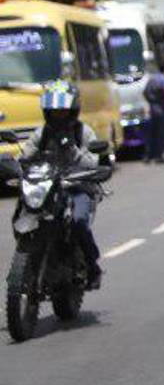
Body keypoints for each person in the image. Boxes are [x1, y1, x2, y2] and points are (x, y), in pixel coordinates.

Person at [20, 81, 104, 290]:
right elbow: (25, 154)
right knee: (25, 211)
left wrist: (72, 149)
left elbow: (92, 163)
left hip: (77, 186)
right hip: (48, 186)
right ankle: (33, 258)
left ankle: (92, 266)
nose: (58, 116)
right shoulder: (43, 133)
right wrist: (12, 163)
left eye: (63, 111)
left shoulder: (84, 132)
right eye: (54, 112)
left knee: (78, 221)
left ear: (73, 111)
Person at [143, 62, 164, 163]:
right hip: (162, 110)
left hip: (153, 110)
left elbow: (145, 92)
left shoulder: (152, 79)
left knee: (152, 134)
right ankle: (160, 155)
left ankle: (149, 155)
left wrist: (151, 102)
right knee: (161, 134)